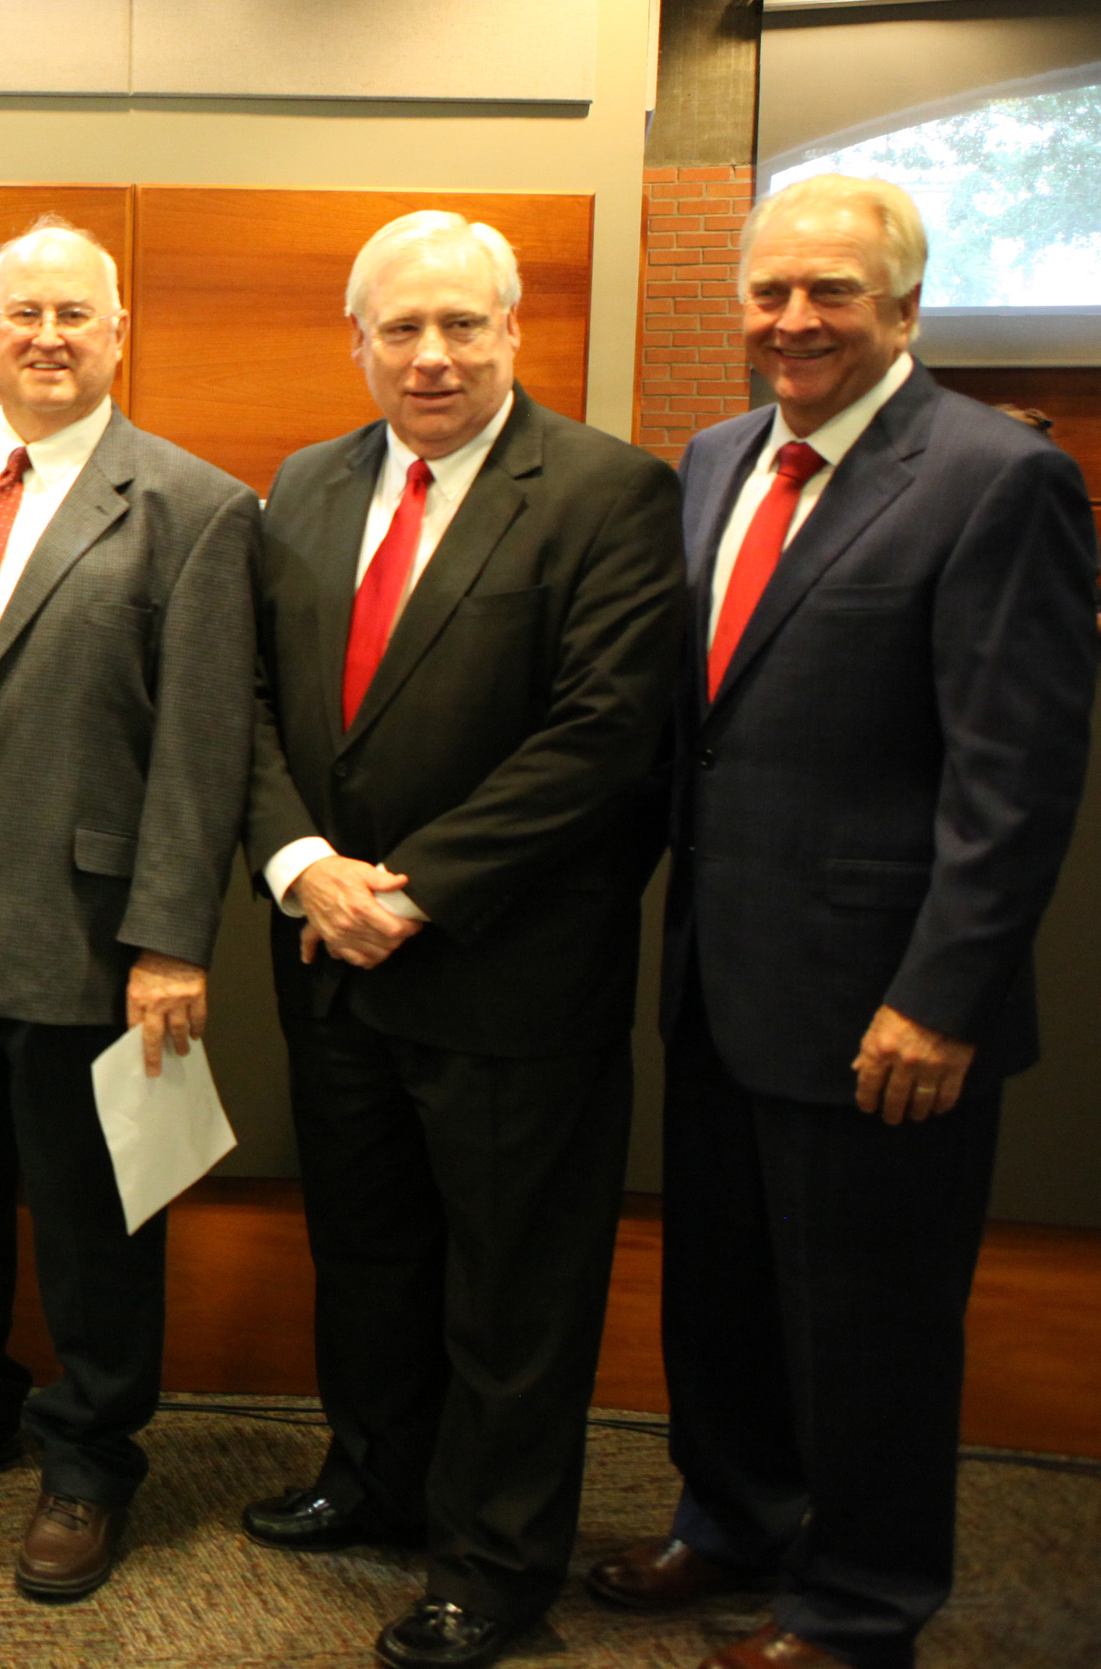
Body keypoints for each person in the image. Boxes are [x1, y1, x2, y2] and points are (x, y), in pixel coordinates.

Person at [586, 174, 1096, 1669]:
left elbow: (1014, 778)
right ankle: (732, 1521)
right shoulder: (714, 457)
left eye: (832, 292)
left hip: (886, 1007)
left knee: (870, 1327)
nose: (793, 319)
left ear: (906, 309)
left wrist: (941, 996)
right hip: (721, 980)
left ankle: (861, 1602)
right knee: (724, 1293)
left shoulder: (996, 477)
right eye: (769, 291)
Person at [239, 212, 684, 1669]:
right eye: (401, 329)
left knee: (511, 1291)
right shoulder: (304, 485)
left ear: (512, 330)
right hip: (329, 960)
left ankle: (493, 1565)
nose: (431, 356)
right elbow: (249, 706)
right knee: (367, 1254)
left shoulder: (610, 492)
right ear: (356, 341)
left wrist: (411, 889)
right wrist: (304, 867)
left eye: (461, 326)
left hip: (507, 973)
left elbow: (602, 735)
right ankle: (374, 1478)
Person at [0, 218, 258, 1601]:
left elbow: (202, 746)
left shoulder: (194, 506)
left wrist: (171, 940)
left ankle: (89, 1457)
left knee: (92, 1219)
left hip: (81, 931)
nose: (46, 335)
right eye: (22, 312)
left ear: (118, 333)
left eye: (74, 312)